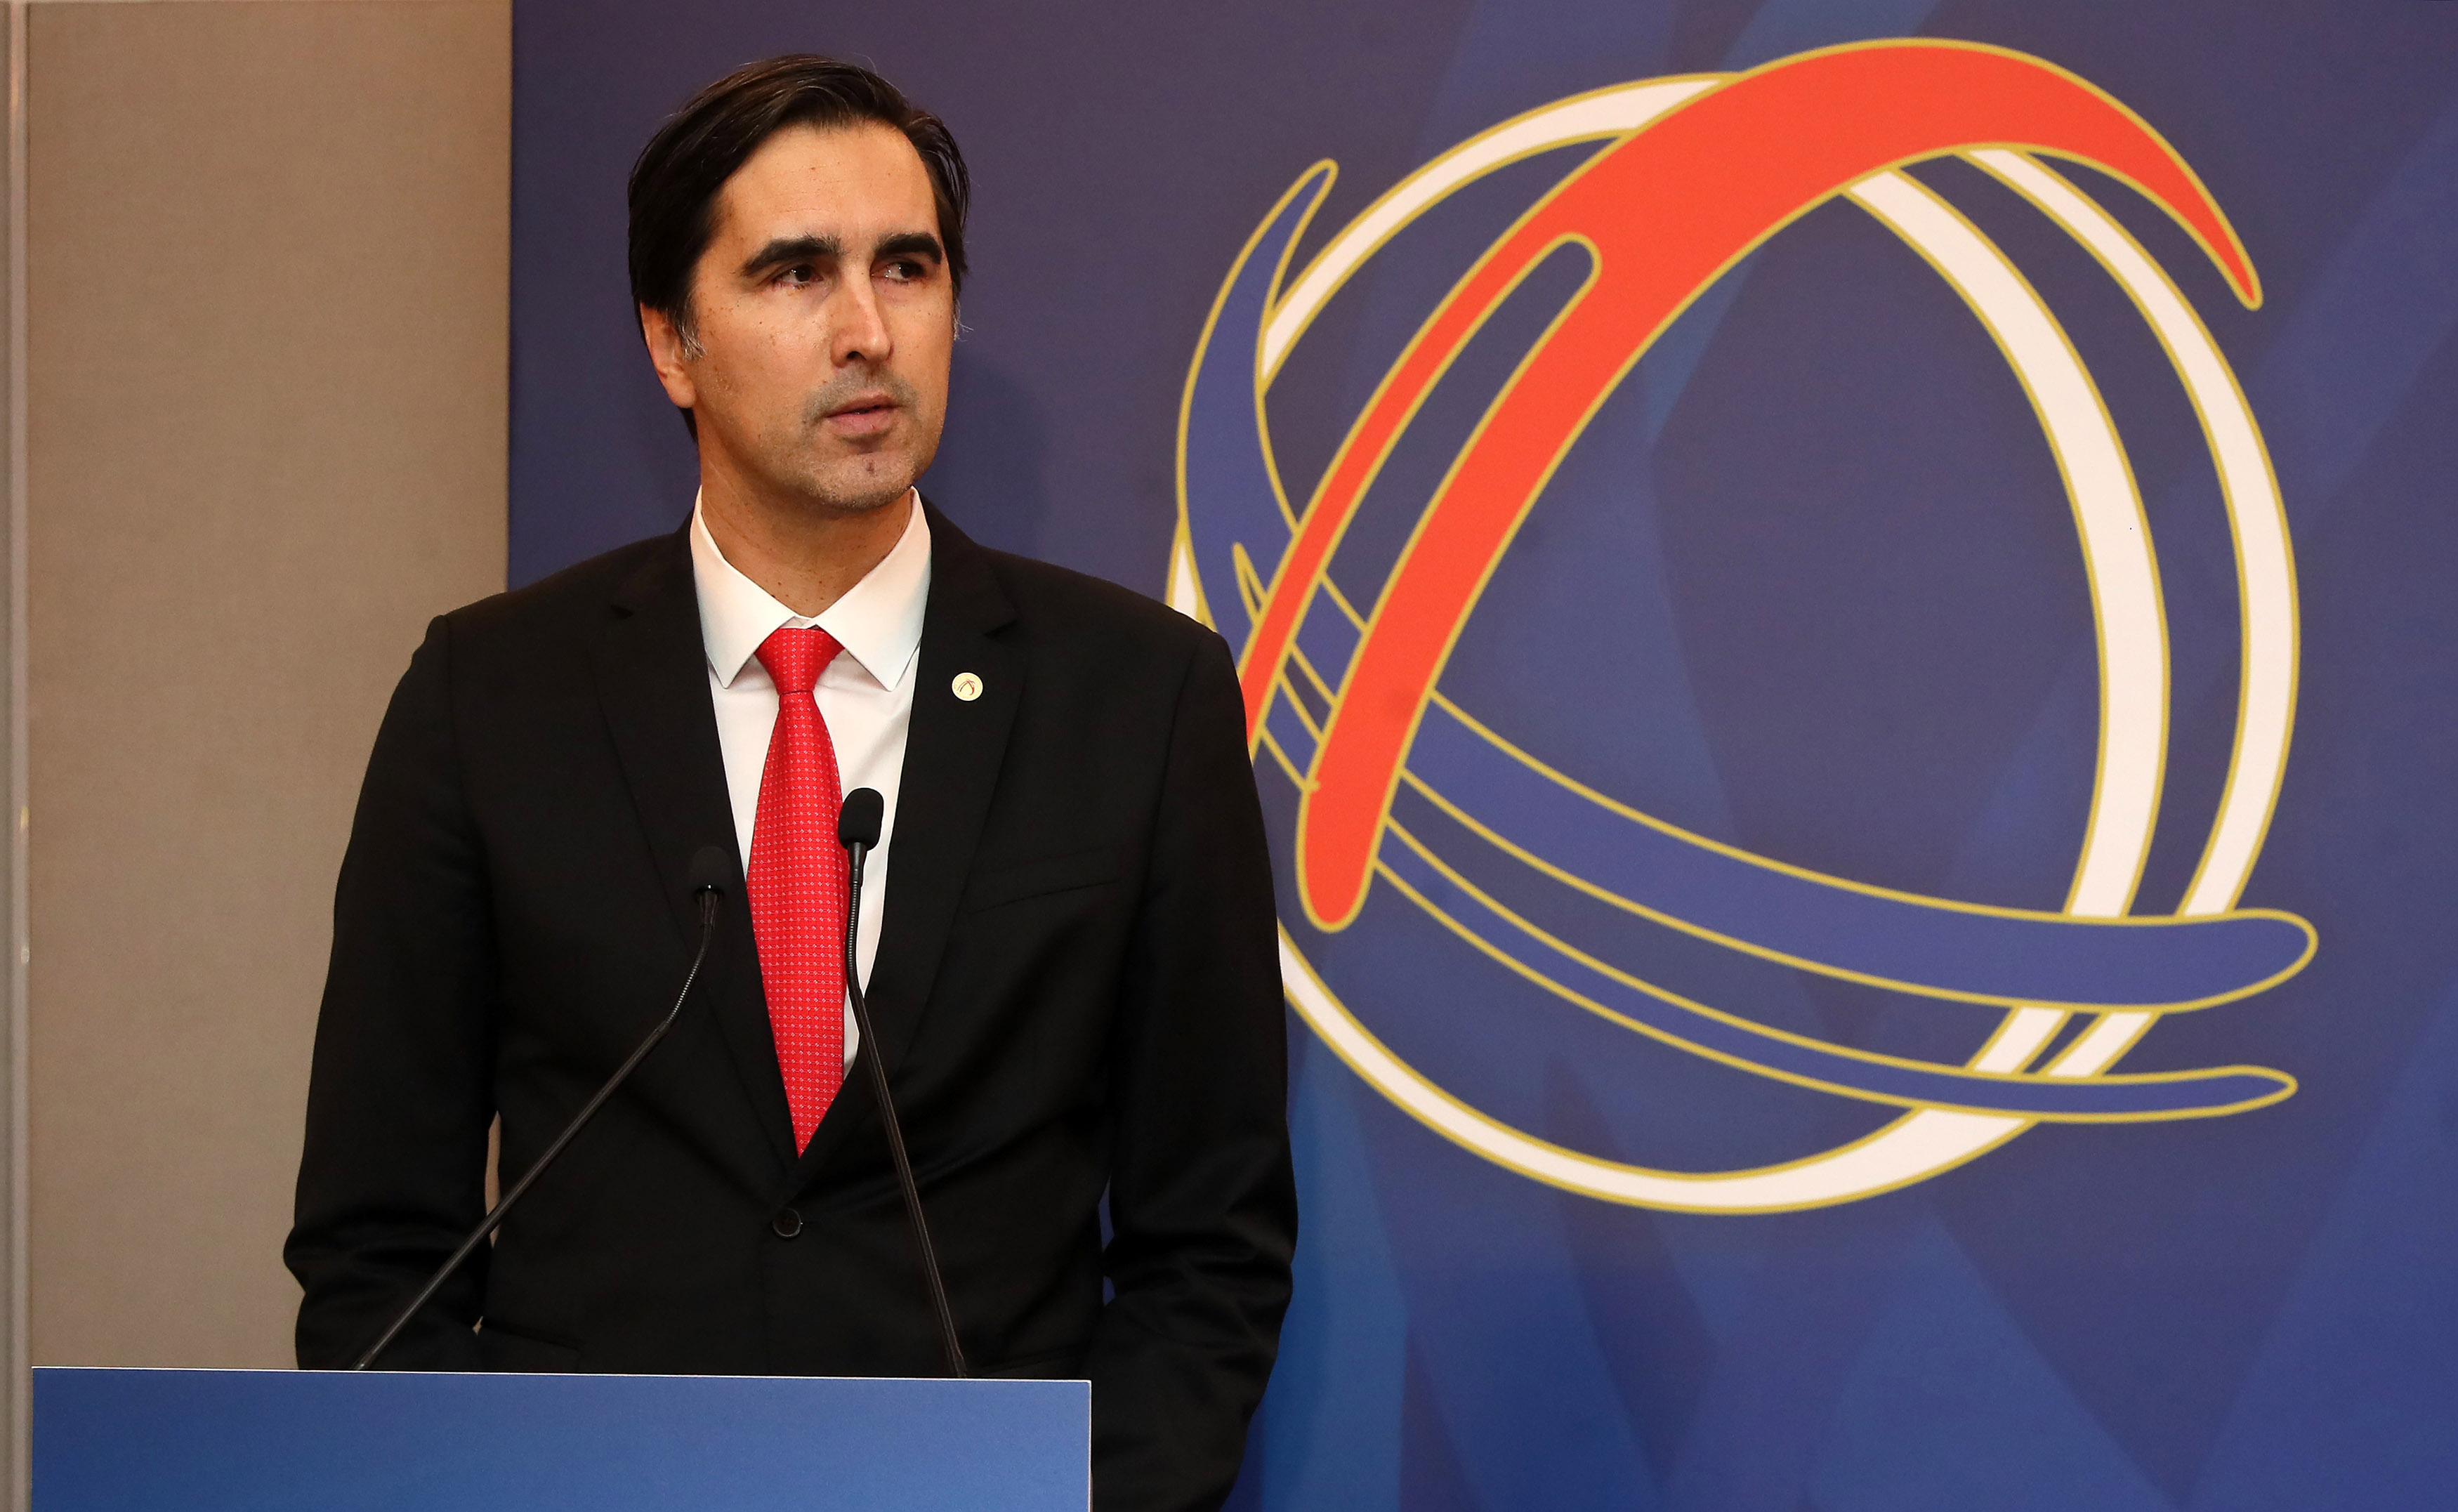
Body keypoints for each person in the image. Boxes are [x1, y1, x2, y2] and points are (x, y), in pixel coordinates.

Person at [286, 54, 1297, 1511]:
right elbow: (380, 1239)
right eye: (794, 273)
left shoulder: (1139, 697)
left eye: (908, 267)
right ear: (671, 344)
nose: (868, 331)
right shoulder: (489, 696)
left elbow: (1210, 1244)